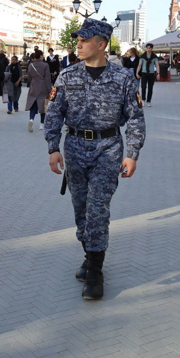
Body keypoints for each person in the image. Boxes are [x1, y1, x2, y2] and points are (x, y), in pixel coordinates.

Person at [45, 18, 146, 300]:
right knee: (81, 212)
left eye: (84, 40)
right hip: (75, 149)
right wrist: (53, 148)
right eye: (77, 40)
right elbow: (53, 113)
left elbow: (136, 119)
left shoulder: (123, 78)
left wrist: (132, 154)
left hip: (108, 149)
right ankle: (89, 256)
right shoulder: (67, 75)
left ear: (101, 45)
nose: (78, 44)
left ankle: (95, 271)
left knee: (97, 211)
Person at [25, 50, 52, 132]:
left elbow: (29, 76)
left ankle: (31, 119)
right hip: (43, 85)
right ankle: (41, 124)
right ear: (41, 56)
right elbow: (47, 78)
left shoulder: (31, 65)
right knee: (43, 105)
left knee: (33, 104)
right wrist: (49, 89)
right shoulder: (45, 65)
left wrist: (30, 84)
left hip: (34, 85)